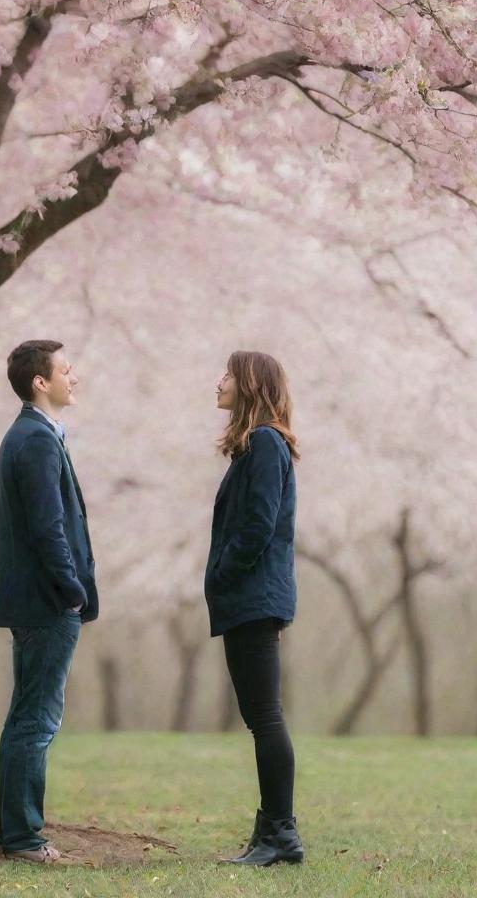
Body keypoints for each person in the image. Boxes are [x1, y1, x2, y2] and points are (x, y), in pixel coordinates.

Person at [0, 339, 98, 864]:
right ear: (41, 381)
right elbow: (47, 528)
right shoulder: (34, 440)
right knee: (36, 721)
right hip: (46, 603)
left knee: (29, 717)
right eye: (66, 369)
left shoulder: (38, 435)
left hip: (41, 601)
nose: (73, 377)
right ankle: (23, 839)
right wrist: (72, 591)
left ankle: (16, 835)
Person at [205, 350, 303, 867]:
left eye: (227, 374)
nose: (218, 381)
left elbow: (259, 524)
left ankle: (281, 835)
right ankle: (270, 831)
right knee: (260, 717)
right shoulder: (257, 446)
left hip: (253, 596)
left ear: (250, 383)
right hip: (251, 598)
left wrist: (223, 572)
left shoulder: (265, 443)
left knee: (265, 717)